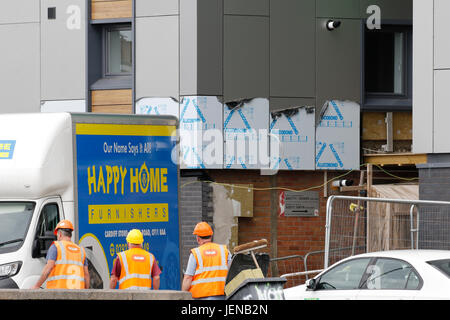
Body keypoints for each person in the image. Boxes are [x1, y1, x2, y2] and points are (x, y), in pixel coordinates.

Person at [31, 220, 90, 289]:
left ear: (60, 234)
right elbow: (86, 275)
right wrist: (86, 292)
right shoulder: (81, 250)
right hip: (78, 295)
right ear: (70, 235)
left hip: (59, 294)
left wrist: (37, 286)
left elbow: (48, 268)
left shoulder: (56, 247)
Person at [182, 222, 231, 300]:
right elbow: (232, 271)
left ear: (198, 239)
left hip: (200, 296)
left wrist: (183, 295)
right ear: (211, 236)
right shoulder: (224, 250)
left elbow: (188, 278)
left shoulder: (196, 253)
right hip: (222, 295)